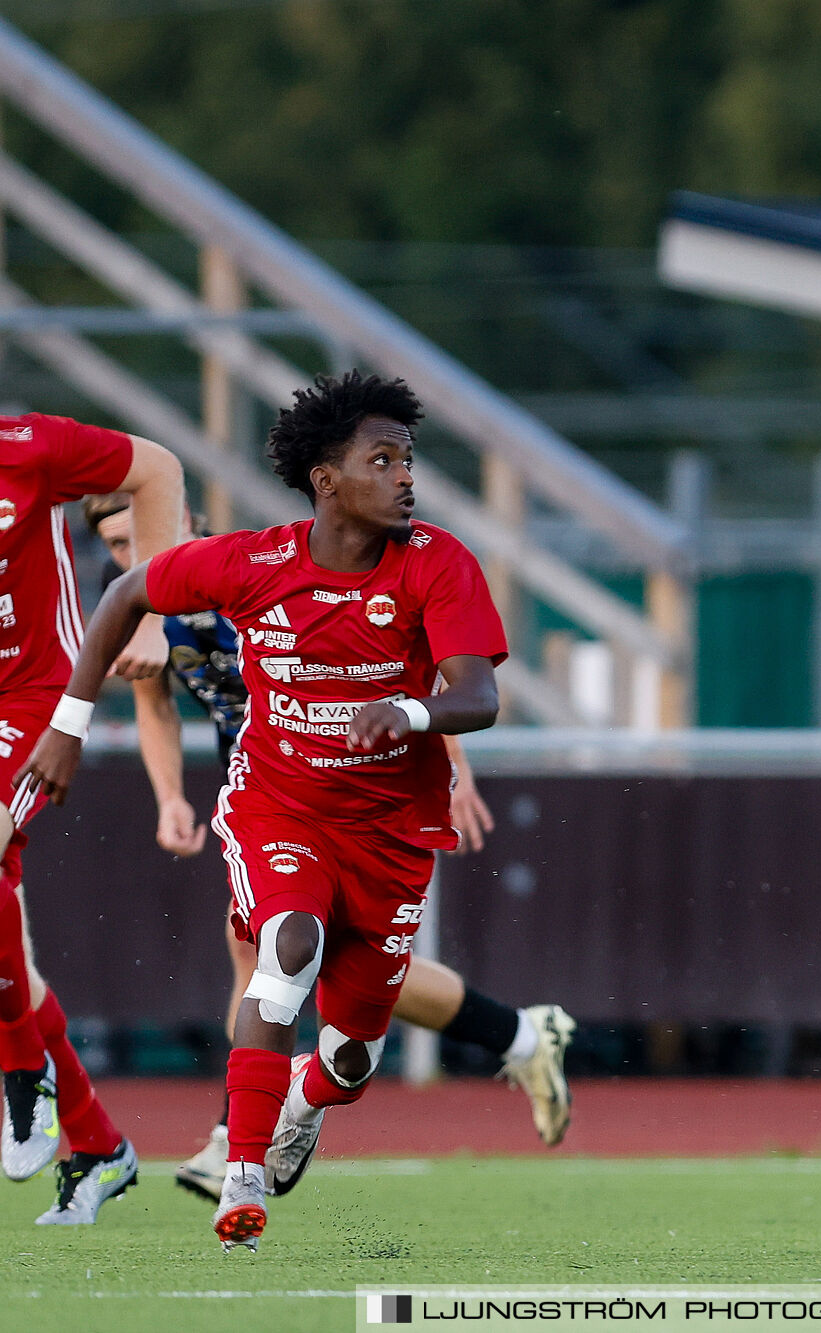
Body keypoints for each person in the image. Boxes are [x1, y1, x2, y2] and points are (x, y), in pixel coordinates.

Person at [28, 369, 507, 1252]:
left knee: (354, 1053)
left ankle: (305, 1101)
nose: (407, 476)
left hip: (394, 832)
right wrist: (68, 723)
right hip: (278, 806)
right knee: (288, 945)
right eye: (385, 459)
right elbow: (124, 596)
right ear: (327, 480)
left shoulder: (437, 562)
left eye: (408, 459)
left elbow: (476, 693)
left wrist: (406, 710)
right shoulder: (254, 561)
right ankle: (240, 1174)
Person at [82, 495, 576, 1202]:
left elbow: (398, 665)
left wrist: (454, 769)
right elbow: (154, 700)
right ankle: (247, 1131)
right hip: (271, 787)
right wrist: (168, 796)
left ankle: (519, 1037)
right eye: (117, 545)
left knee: (319, 961)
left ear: (182, 518)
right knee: (273, 952)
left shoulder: (243, 570)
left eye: (138, 537)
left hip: (355, 781)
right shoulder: (149, 600)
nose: (130, 555)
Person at [0, 410, 184, 1226]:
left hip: (33, 693)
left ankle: (19, 1071)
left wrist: (149, 608)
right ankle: (97, 1140)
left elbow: (159, 469)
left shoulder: (26, 446)